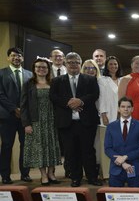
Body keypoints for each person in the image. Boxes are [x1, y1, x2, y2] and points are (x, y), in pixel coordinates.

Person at [49, 52, 101, 187]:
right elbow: (53, 97)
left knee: (88, 151)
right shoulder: (57, 81)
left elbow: (94, 94)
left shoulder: (90, 79)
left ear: (80, 64)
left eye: (76, 62)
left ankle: (92, 177)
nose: (73, 65)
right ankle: (75, 178)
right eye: (70, 62)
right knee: (71, 152)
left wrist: (80, 101)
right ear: (66, 64)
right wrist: (70, 103)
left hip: (87, 122)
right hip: (67, 123)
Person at [20, 57, 61, 185]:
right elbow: (23, 105)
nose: (41, 69)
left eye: (44, 67)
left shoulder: (54, 83)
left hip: (52, 121)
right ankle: (43, 175)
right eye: (38, 67)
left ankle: (51, 173)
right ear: (34, 69)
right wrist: (26, 124)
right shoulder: (28, 84)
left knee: (52, 147)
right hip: (36, 121)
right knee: (40, 148)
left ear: (48, 69)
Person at [0, 47, 32, 184]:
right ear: (8, 58)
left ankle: (25, 174)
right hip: (7, 116)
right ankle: (5, 175)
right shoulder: (1, 73)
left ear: (22, 58)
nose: (16, 58)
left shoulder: (30, 74)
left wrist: (24, 111)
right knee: (7, 145)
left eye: (19, 56)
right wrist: (14, 109)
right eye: (13, 56)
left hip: (25, 117)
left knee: (26, 146)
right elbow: (0, 95)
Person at [104, 97, 139, 187]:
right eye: (123, 106)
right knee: (114, 199)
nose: (126, 109)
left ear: (132, 109)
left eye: (128, 107)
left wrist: (126, 157)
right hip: (116, 169)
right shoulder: (111, 127)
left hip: (134, 168)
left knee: (136, 198)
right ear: (118, 109)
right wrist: (122, 162)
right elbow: (108, 148)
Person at [98, 56, 123, 125]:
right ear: (107, 66)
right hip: (108, 113)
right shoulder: (102, 80)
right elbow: (101, 98)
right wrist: (103, 115)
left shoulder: (122, 80)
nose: (113, 66)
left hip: (122, 113)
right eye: (111, 64)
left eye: (115, 64)